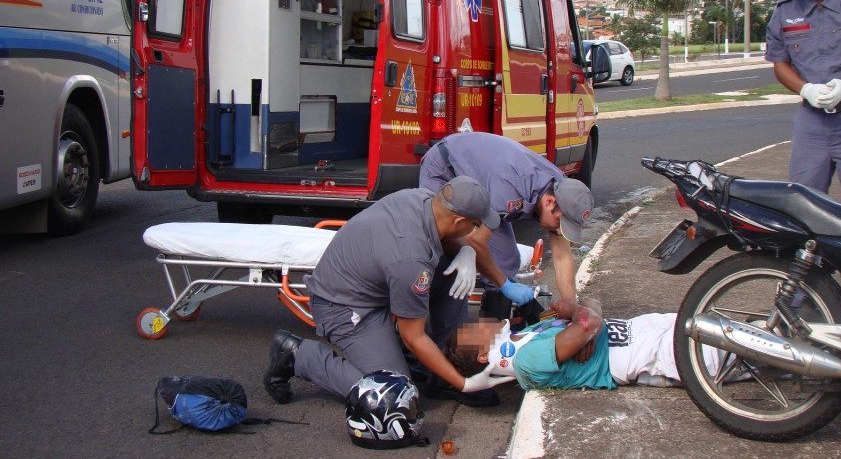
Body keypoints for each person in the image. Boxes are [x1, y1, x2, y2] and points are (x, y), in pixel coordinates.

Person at [263, 177, 516, 409]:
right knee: (395, 394)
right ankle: (298, 355)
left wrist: (466, 251)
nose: (477, 229)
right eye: (476, 224)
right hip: (343, 307)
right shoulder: (411, 258)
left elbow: (443, 239)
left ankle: (443, 374)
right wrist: (465, 384)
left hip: (375, 287)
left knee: (455, 273)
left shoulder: (423, 198)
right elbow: (413, 336)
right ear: (460, 221)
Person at [419, 132, 594, 320]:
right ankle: (438, 333)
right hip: (447, 168)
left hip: (486, 183)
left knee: (507, 260)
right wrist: (504, 284)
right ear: (550, 202)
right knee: (449, 254)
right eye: (561, 224)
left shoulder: (562, 193)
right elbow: (475, 241)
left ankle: (493, 337)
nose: (560, 231)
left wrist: (571, 310)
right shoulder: (510, 190)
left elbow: (562, 256)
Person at [447, 298, 722, 391]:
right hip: (650, 355)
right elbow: (589, 321)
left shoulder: (528, 334)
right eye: (474, 330)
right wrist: (578, 315)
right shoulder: (526, 359)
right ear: (484, 355)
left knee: (751, 336)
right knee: (748, 354)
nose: (479, 322)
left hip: (648, 329)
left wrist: (582, 319)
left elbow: (593, 308)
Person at [765, 0, 841, 193]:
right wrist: (805, 89)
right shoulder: (787, 9)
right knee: (802, 202)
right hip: (813, 122)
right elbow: (780, 63)